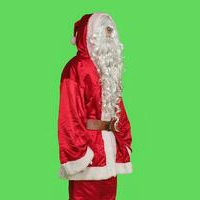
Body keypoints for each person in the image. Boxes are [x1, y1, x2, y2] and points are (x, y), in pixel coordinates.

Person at [57, 12, 132, 200]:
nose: (108, 35)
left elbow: (118, 109)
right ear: (89, 35)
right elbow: (69, 116)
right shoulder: (76, 67)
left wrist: (124, 141)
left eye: (110, 32)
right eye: (103, 31)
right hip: (88, 157)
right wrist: (80, 154)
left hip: (109, 154)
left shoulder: (109, 69)